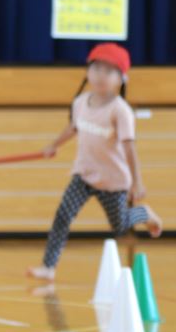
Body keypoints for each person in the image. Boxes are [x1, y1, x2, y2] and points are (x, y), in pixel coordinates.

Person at [27, 43, 163, 281]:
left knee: (120, 226)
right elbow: (74, 127)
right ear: (87, 71)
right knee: (63, 216)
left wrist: (137, 183)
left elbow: (130, 148)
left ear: (121, 79)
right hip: (84, 174)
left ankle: (144, 213)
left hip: (114, 181)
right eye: (97, 68)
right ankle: (48, 268)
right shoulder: (80, 102)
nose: (101, 75)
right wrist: (54, 146)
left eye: (110, 71)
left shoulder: (121, 111)